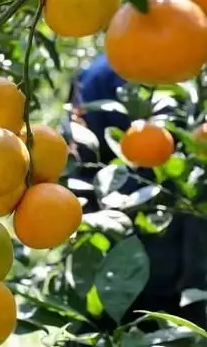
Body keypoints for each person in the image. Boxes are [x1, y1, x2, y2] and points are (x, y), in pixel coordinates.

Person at [68, 53, 207, 331]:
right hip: (126, 266)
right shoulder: (102, 75)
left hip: (188, 271)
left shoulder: (194, 66)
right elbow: (78, 168)